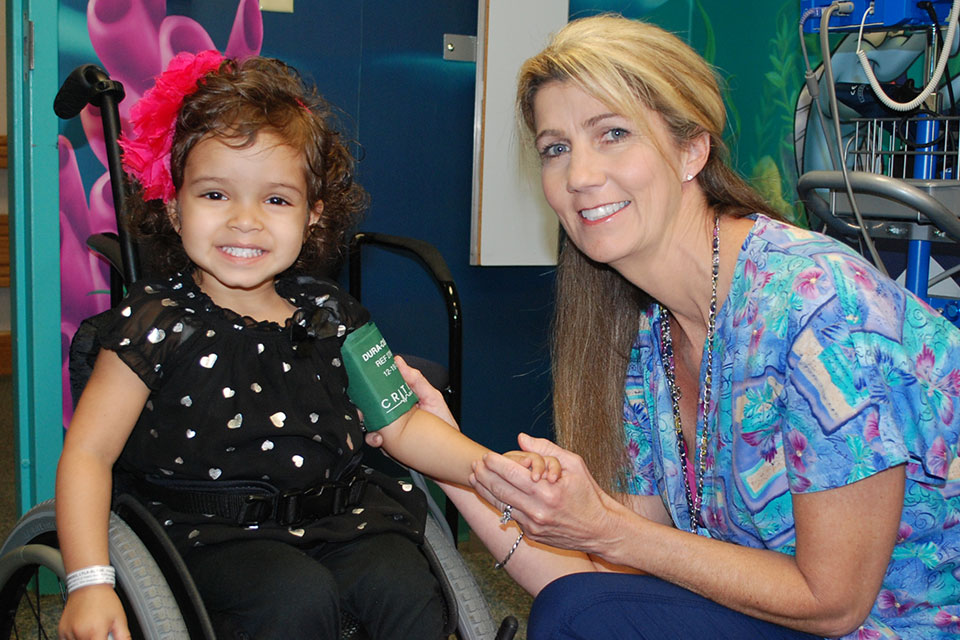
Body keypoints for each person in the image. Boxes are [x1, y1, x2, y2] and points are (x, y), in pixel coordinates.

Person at [381, 13, 960, 640]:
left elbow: (832, 601)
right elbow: (601, 575)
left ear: (692, 149)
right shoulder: (651, 339)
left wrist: (605, 526)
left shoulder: (818, 307)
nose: (578, 176)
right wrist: (448, 457)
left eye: (613, 134)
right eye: (556, 148)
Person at [55, 52, 557, 640]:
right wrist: (89, 581)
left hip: (343, 519)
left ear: (313, 217)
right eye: (216, 195)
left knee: (405, 584)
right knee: (294, 599)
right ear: (174, 206)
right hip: (206, 535)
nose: (246, 221)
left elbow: (399, 425)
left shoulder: (333, 315)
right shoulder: (154, 325)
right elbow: (87, 456)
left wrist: (487, 466)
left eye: (276, 200)